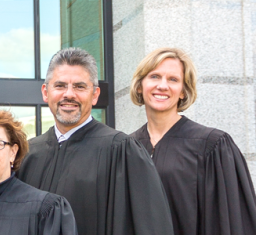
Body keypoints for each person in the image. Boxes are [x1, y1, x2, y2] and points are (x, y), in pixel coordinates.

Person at [16, 48, 174, 235]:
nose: (69, 94)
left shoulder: (122, 151)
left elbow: (152, 227)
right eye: (60, 86)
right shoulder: (28, 154)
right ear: (45, 92)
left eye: (79, 87)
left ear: (95, 94)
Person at [128, 47, 256, 235]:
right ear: (140, 86)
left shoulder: (212, 146)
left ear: (182, 92)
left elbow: (231, 221)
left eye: (173, 79)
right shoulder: (127, 147)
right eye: (154, 76)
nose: (162, 86)